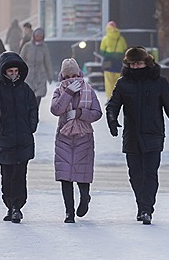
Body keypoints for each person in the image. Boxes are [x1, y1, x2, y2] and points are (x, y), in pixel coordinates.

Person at [106, 46, 169, 225]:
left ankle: (147, 209)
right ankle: (141, 205)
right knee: (135, 174)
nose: (135, 67)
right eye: (132, 64)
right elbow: (113, 105)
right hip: (132, 135)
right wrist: (112, 120)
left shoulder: (159, 82)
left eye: (139, 63)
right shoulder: (123, 83)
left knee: (150, 174)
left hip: (153, 134)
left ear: (147, 62)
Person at [0, 51, 39, 224]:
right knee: (7, 174)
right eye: (10, 72)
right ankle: (10, 205)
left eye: (16, 71)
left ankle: (17, 207)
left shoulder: (25, 89)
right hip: (4, 140)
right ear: (3, 72)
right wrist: (0, 128)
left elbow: (33, 109)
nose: (14, 75)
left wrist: (31, 127)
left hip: (23, 139)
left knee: (20, 175)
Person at [50, 58, 102, 223]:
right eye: (67, 76)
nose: (71, 79)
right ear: (62, 77)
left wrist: (80, 114)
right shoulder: (59, 91)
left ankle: (85, 198)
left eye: (74, 75)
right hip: (64, 137)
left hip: (83, 136)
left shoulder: (88, 90)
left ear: (79, 74)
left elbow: (97, 113)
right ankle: (69, 212)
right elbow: (56, 109)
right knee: (65, 175)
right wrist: (68, 93)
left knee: (82, 173)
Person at [20, 27, 53, 107]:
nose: (38, 37)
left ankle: (35, 113)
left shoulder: (44, 48)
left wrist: (50, 75)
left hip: (40, 74)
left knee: (38, 95)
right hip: (28, 73)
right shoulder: (27, 46)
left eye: (40, 36)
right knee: (29, 95)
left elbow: (47, 62)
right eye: (37, 35)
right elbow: (21, 59)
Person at [99, 21, 127, 100]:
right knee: (117, 80)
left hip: (108, 61)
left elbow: (102, 51)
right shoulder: (121, 39)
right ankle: (117, 96)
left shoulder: (105, 39)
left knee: (108, 80)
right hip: (118, 62)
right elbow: (125, 49)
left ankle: (109, 97)